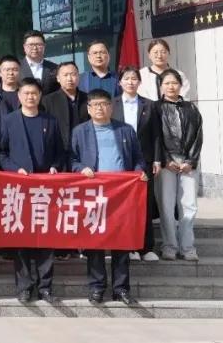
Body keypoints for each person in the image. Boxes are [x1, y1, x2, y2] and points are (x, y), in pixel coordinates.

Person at [70, 89, 147, 306]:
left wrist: (139, 172)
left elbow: (138, 158)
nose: (100, 108)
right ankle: (97, 287)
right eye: (95, 105)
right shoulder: (80, 132)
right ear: (88, 109)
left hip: (121, 194)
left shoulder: (125, 130)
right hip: (94, 194)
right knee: (95, 242)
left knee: (121, 242)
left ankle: (121, 289)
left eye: (104, 104)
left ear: (111, 107)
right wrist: (81, 168)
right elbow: (72, 159)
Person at [0, 77, 64, 304]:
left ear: (40, 95)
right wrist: (14, 170)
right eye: (26, 93)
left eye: (34, 93)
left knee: (46, 238)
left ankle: (45, 287)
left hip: (45, 189)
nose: (30, 97)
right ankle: (24, 287)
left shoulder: (50, 121)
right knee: (22, 237)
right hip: (20, 187)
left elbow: (59, 152)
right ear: (19, 96)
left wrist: (55, 167)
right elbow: (2, 152)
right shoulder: (9, 121)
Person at [113, 66, 161, 261]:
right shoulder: (112, 104)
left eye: (134, 78)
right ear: (120, 82)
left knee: (144, 203)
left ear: (139, 82)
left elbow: (156, 134)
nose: (130, 82)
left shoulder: (150, 105)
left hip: (145, 160)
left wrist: (157, 159)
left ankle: (146, 247)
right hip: (119, 160)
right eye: (126, 78)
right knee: (124, 204)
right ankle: (127, 246)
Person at [154, 69, 202, 261]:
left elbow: (198, 136)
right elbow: (155, 137)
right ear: (161, 86)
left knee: (189, 205)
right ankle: (170, 246)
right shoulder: (155, 108)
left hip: (188, 162)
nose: (171, 86)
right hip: (167, 163)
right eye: (166, 83)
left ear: (181, 85)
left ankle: (188, 247)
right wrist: (166, 159)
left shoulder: (191, 108)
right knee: (166, 205)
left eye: (174, 83)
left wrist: (191, 161)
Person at [41, 61, 88, 167]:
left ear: (78, 76)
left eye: (73, 74)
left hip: (83, 152)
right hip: (58, 155)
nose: (69, 79)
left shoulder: (88, 99)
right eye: (65, 75)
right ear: (58, 78)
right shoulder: (47, 101)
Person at [19, 30, 58, 95]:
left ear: (44, 46)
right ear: (24, 47)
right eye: (31, 45)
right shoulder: (17, 67)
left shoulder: (54, 68)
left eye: (38, 44)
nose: (35, 48)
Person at [0, 55, 23, 131]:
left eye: (15, 70)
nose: (11, 73)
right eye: (7, 70)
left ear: (20, 71)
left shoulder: (26, 94)